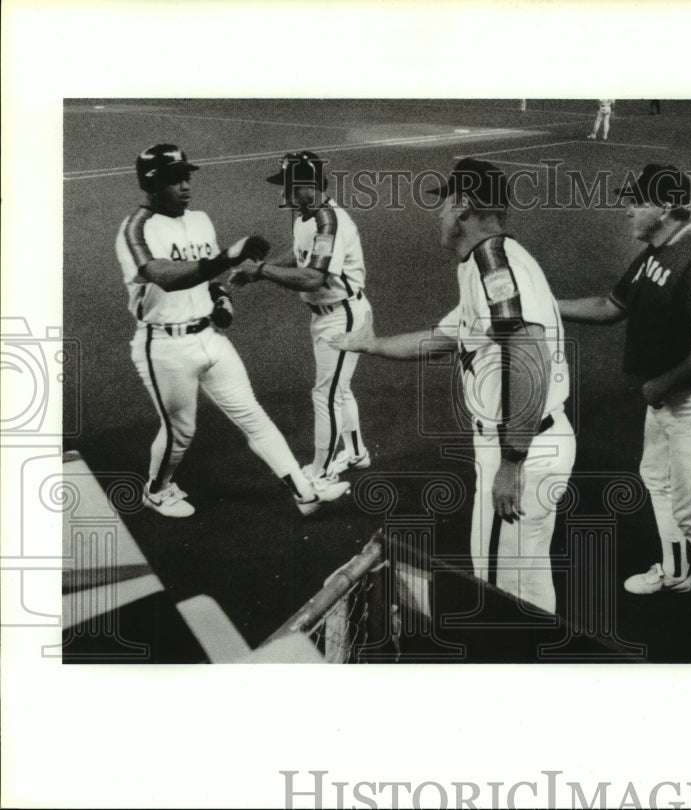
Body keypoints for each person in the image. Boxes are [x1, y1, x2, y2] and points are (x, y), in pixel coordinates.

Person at [328, 158, 575, 614]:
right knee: (526, 581)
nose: (437, 214)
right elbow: (442, 339)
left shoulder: (494, 264)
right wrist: (372, 344)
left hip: (524, 449)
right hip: (532, 442)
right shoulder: (483, 264)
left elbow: (529, 357)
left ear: (463, 205)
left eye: (442, 203)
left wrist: (511, 462)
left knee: (500, 592)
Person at [559, 163, 691, 658]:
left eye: (637, 200)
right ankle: (676, 574)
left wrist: (662, 383)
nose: (627, 208)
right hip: (668, 398)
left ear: (668, 208)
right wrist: (545, 303)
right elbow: (611, 306)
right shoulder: (656, 253)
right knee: (656, 479)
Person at [115, 143, 350, 518]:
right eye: (176, 179)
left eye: (187, 176)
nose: (187, 185)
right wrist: (228, 257)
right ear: (153, 184)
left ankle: (305, 493)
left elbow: (207, 278)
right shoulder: (135, 229)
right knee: (181, 432)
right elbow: (165, 276)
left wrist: (221, 298)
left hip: (210, 338)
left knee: (253, 415)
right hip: (163, 347)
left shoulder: (200, 219)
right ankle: (157, 490)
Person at [230, 151, 372, 487]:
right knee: (338, 388)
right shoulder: (306, 216)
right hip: (330, 315)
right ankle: (355, 453)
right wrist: (257, 274)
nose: (283, 195)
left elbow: (314, 277)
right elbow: (301, 254)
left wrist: (262, 269)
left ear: (309, 186)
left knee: (326, 394)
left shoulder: (330, 221)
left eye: (289, 188)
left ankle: (320, 472)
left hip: (343, 316)